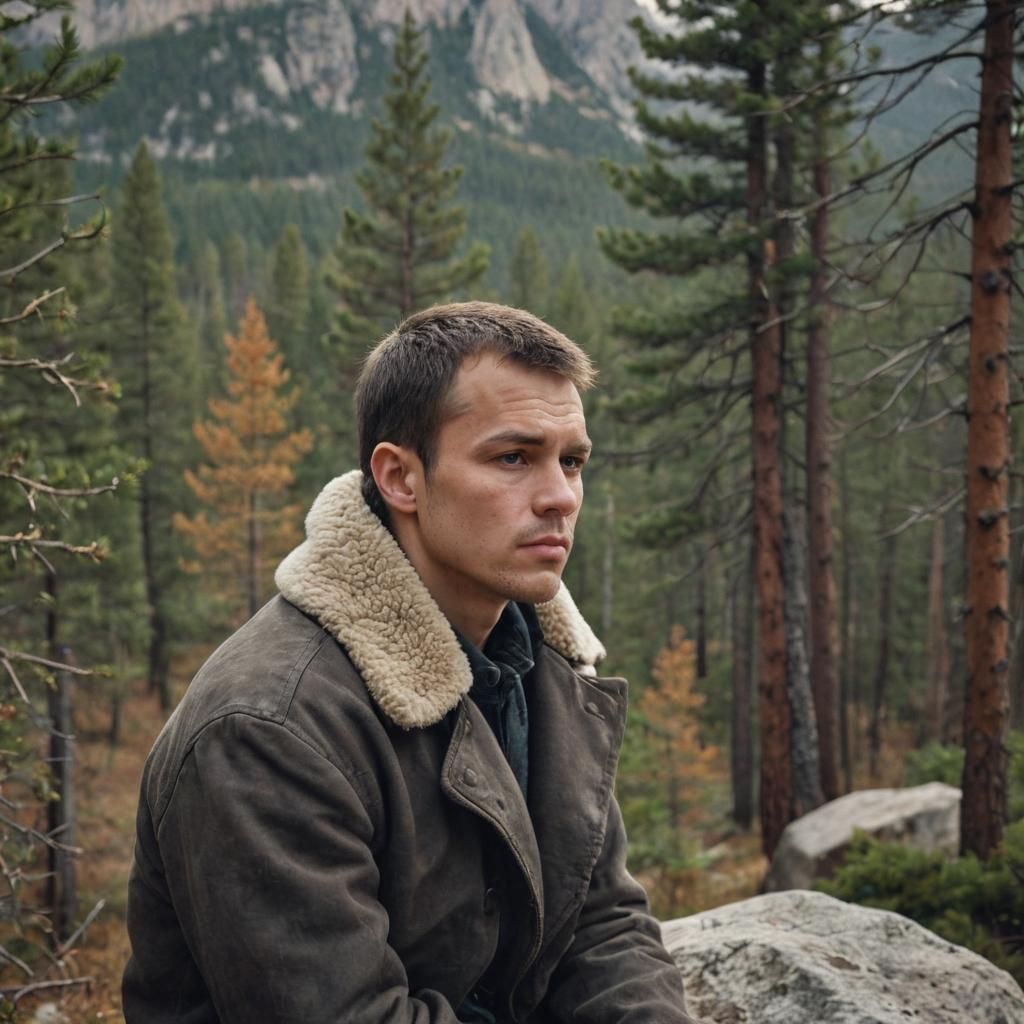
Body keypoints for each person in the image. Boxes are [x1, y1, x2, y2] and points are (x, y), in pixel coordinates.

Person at [122, 301, 696, 1023]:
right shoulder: (267, 727)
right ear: (400, 478)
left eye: (572, 461)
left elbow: (602, 925)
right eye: (513, 457)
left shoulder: (539, 660)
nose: (559, 497)